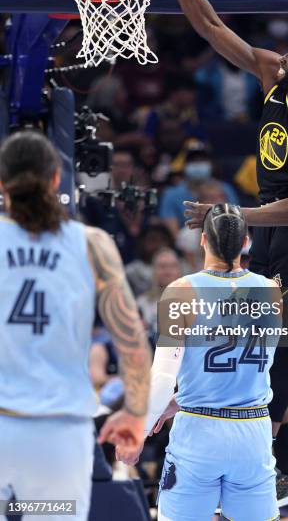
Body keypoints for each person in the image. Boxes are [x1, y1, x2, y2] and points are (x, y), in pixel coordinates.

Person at [140, 0, 288, 503]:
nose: (281, 55)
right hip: (272, 220)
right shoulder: (272, 78)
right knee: (262, 327)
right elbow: (211, 27)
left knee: (285, 333)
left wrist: (230, 215)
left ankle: (282, 460)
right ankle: (277, 455)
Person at [0, 131, 151, 521]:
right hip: (60, 434)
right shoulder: (92, 244)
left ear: (2, 184)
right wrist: (135, 412)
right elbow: (132, 341)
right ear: (55, 179)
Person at [117, 204, 282, 521]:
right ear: (246, 241)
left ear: (203, 239)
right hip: (253, 430)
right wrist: (175, 403)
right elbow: (240, 370)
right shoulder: (271, 291)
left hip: (200, 431)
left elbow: (164, 376)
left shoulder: (182, 291)